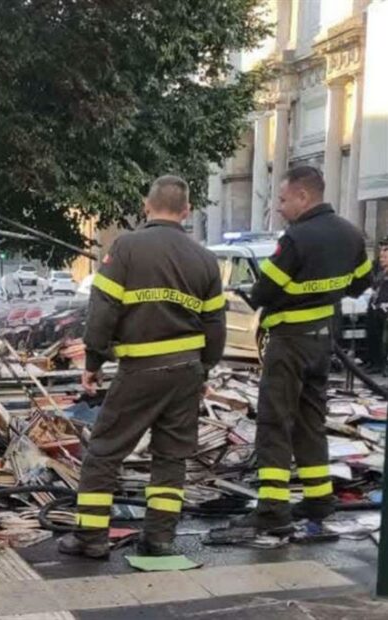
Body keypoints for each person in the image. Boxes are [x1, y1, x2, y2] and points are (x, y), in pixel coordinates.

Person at [58, 175, 226, 558]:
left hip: (141, 370)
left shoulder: (127, 248)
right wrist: (205, 370)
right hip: (186, 372)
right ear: (186, 211)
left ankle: (91, 537)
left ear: (146, 206)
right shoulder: (205, 259)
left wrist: (94, 360)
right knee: (170, 458)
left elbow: (102, 311)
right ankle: (160, 538)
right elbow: (215, 326)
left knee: (104, 451)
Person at [230, 166, 371, 534]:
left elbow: (263, 292)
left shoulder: (296, 238)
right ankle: (318, 498)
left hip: (289, 341)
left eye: (283, 199)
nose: (279, 207)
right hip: (323, 343)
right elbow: (361, 284)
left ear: (303, 196)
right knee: (311, 421)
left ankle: (273, 508)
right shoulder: (351, 234)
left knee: (275, 422)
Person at [363, 238, 388, 374]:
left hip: (384, 311)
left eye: (385, 255)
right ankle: (373, 362)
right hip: (375, 308)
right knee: (373, 336)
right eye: (381, 255)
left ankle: (381, 364)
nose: (382, 257)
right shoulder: (380, 272)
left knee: (382, 340)